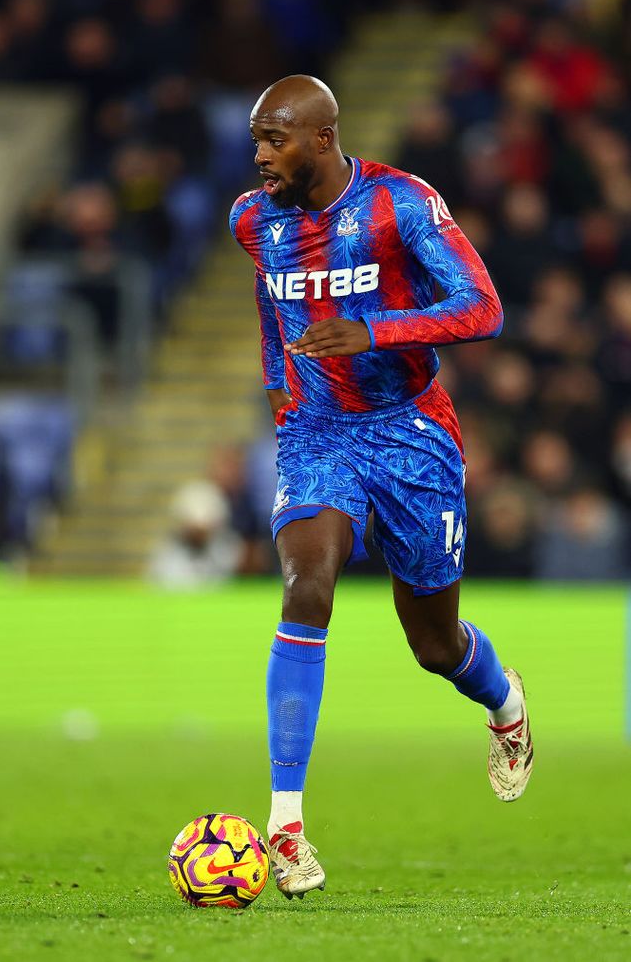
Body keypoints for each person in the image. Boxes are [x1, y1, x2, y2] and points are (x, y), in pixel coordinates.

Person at [229, 75, 534, 900]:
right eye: (257, 137)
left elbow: (482, 307)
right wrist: (278, 395)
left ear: (322, 139)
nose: (259, 155)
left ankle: (504, 700)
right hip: (317, 434)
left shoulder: (400, 203)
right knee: (306, 586)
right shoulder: (253, 220)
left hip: (410, 432)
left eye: (275, 139)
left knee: (434, 646)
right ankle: (285, 825)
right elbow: (271, 315)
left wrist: (374, 329)